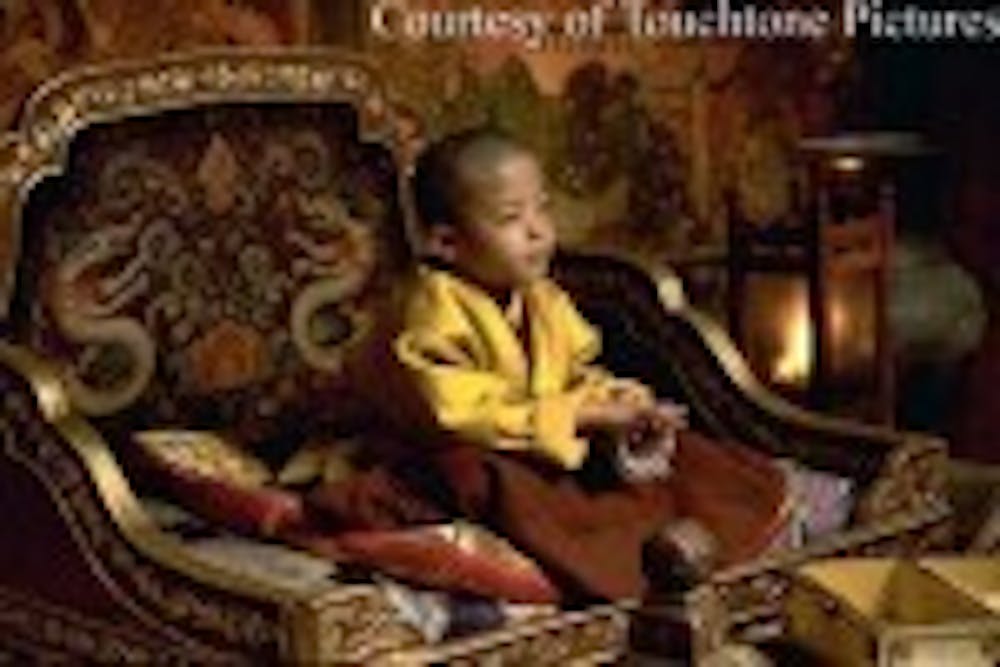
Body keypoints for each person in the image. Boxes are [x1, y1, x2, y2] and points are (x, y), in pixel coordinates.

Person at [304, 128, 788, 603]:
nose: (538, 231)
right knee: (489, 476)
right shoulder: (430, 309)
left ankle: (735, 529)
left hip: (539, 438)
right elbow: (457, 414)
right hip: (450, 450)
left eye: (543, 209)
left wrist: (622, 402)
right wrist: (582, 415)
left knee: (688, 457)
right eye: (512, 217)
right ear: (447, 242)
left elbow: (576, 373)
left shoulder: (542, 297)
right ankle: (620, 563)